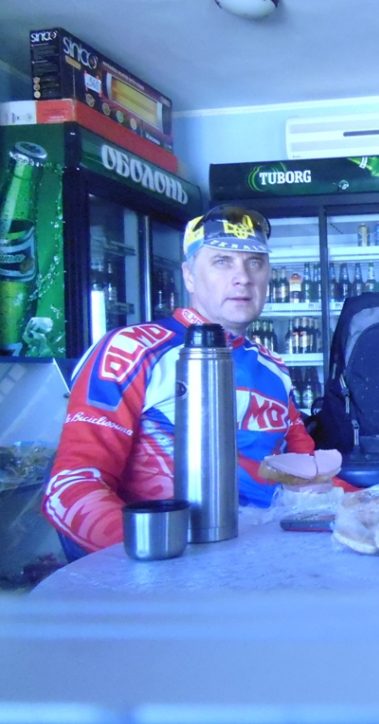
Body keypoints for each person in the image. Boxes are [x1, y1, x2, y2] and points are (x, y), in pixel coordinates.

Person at [43, 205, 321, 555]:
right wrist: (163, 555)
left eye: (255, 262)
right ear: (189, 276)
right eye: (222, 261)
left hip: (271, 562)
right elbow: (71, 488)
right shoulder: (131, 351)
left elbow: (310, 475)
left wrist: (376, 508)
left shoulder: (273, 366)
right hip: (171, 572)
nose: (243, 277)